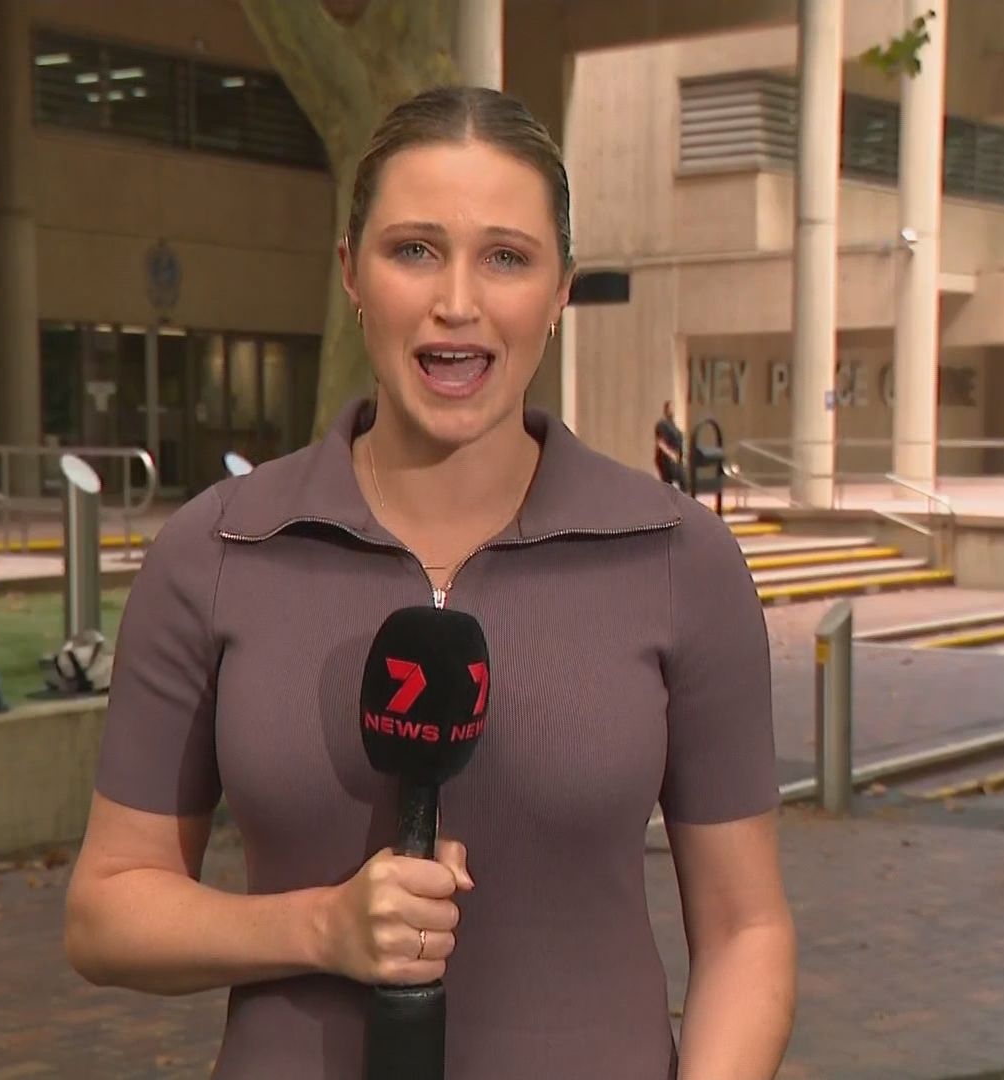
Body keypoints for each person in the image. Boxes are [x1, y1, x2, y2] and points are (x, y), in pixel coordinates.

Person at [64, 86, 795, 1079]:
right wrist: (320, 927)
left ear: (561, 291)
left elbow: (748, 930)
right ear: (351, 274)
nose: (458, 301)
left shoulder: (679, 558)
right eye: (414, 249)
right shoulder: (217, 551)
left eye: (507, 257)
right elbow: (107, 911)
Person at [654, 399, 686, 489]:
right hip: (666, 460)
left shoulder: (674, 426)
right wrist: (670, 454)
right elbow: (660, 443)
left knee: (683, 482)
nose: (672, 410)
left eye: (673, 408)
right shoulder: (662, 424)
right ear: (666, 410)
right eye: (670, 408)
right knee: (670, 483)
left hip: (676, 459)